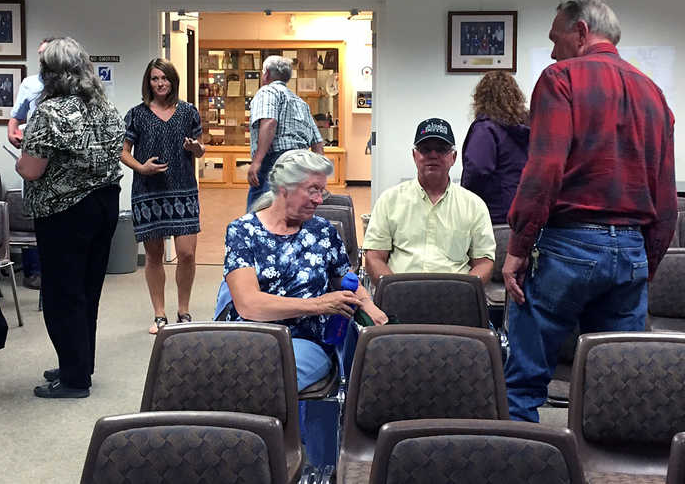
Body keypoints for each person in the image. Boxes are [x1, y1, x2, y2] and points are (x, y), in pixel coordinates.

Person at [501, 0, 677, 423]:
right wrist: (645, 262)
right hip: (631, 249)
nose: (551, 51)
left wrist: (519, 248)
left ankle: (519, 465)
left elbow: (544, 169)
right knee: (621, 381)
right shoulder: (654, 93)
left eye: (555, 39)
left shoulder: (560, 79)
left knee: (523, 382)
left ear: (580, 32)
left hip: (567, 246)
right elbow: (666, 195)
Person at [223, 149, 388, 390]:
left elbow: (347, 279)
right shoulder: (243, 231)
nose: (319, 200)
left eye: (322, 191)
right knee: (224, 377)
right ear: (284, 188)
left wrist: (367, 303)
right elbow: (249, 304)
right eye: (313, 190)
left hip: (304, 340)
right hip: (250, 335)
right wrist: (318, 305)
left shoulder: (322, 231)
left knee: (265, 382)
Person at [16, 37, 124, 399]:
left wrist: (21, 158)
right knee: (87, 291)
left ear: (50, 74)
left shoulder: (50, 112)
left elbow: (31, 171)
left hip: (65, 212)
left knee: (63, 295)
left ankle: (75, 378)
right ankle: (78, 362)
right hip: (104, 206)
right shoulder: (105, 107)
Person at [121, 59, 204, 334]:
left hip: (183, 190)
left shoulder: (188, 112)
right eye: (155, 78)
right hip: (149, 192)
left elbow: (201, 151)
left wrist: (195, 148)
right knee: (154, 255)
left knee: (187, 254)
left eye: (165, 79)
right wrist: (141, 168)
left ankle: (184, 310)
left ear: (173, 81)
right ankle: (159, 313)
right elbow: (122, 151)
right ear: (149, 82)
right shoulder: (137, 114)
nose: (160, 84)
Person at [363, 117, 496, 286]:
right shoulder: (389, 201)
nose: (433, 155)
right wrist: (392, 290)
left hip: (455, 300)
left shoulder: (474, 206)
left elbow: (484, 262)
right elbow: (374, 257)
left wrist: (463, 293)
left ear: (454, 157)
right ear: (414, 155)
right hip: (400, 296)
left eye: (441, 149)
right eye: (425, 149)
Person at [6, 37, 55, 290]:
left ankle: (55, 271)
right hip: (33, 158)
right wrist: (13, 133)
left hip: (58, 165)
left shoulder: (69, 84)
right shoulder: (30, 84)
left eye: (46, 54)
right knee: (34, 214)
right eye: (40, 55)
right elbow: (15, 118)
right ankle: (33, 271)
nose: (42, 59)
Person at [247, 55, 324, 210]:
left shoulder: (267, 92)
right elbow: (318, 143)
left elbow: (269, 122)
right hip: (301, 164)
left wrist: (257, 162)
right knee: (291, 212)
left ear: (266, 73)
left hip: (275, 161)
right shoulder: (300, 102)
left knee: (261, 212)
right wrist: (317, 176)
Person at [461, 71, 530, 224]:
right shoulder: (528, 130)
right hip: (523, 215)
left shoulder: (486, 129)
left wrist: (463, 199)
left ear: (481, 98)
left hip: (494, 216)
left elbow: (477, 169)